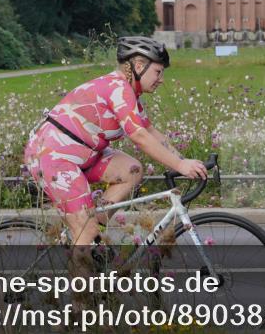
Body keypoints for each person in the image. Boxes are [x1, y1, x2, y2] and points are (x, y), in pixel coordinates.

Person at [23, 37, 208, 302]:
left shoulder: (130, 93)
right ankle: (79, 313)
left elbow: (151, 132)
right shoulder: (118, 88)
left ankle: (92, 226)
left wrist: (186, 162)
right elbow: (140, 137)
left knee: (132, 169)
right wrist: (179, 165)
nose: (161, 79)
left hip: (83, 154)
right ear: (139, 65)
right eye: (158, 72)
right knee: (84, 233)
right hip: (53, 155)